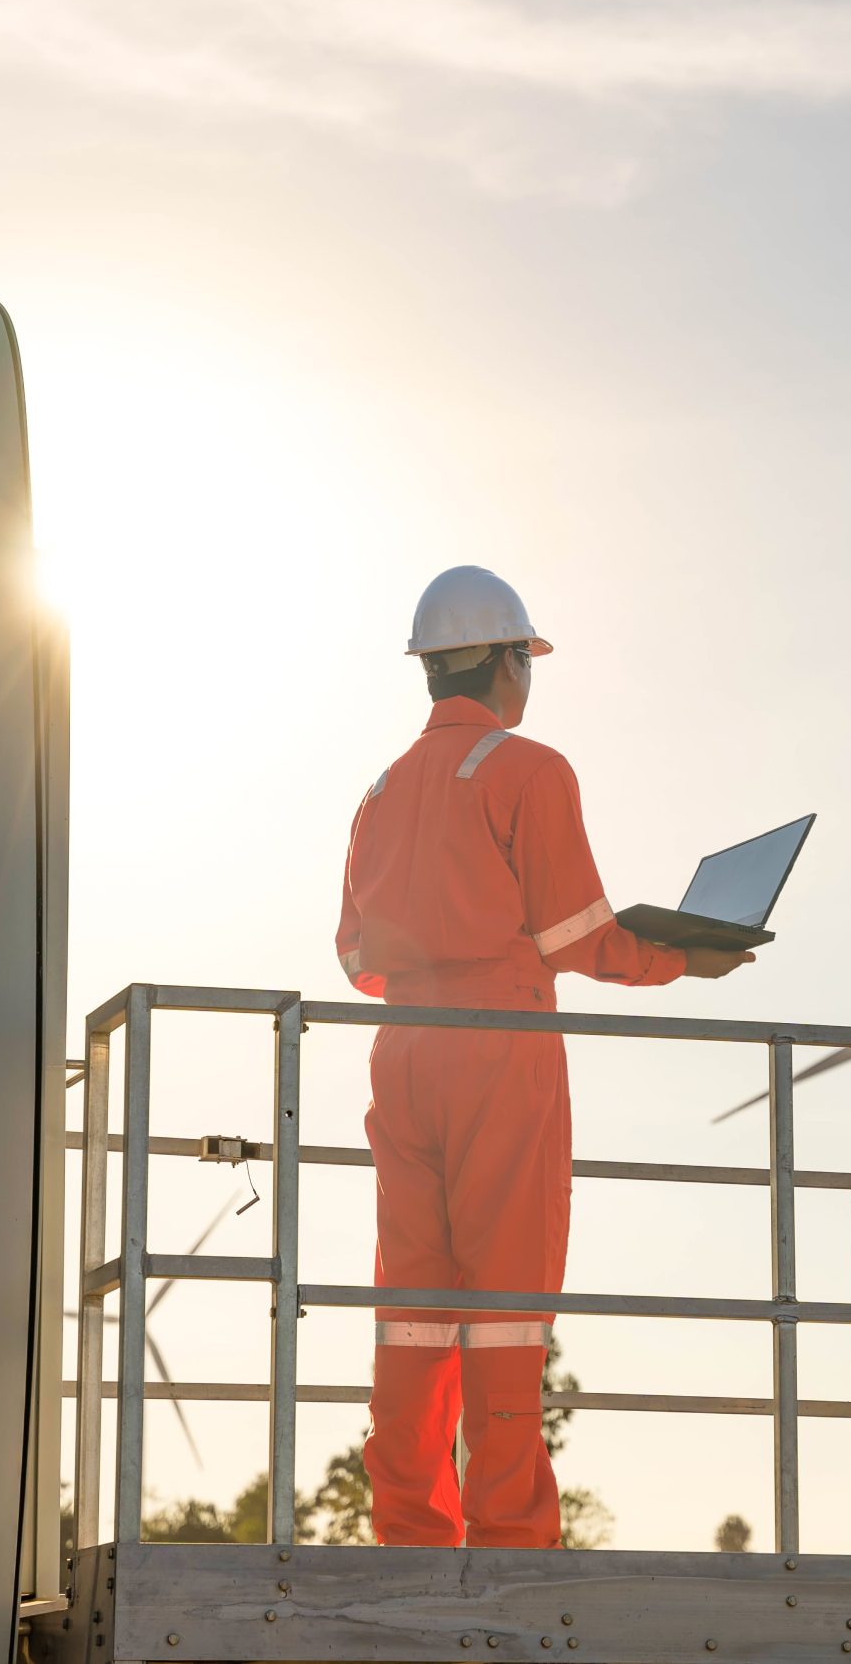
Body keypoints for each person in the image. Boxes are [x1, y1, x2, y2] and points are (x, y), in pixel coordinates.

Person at [334, 566, 752, 1548]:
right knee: (507, 1307)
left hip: (402, 1052)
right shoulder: (530, 771)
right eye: (529, 657)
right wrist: (684, 958)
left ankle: (408, 1535)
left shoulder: (379, 791)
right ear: (506, 661)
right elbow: (579, 937)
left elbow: (356, 958)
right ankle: (511, 1540)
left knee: (412, 1305)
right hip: (500, 1050)